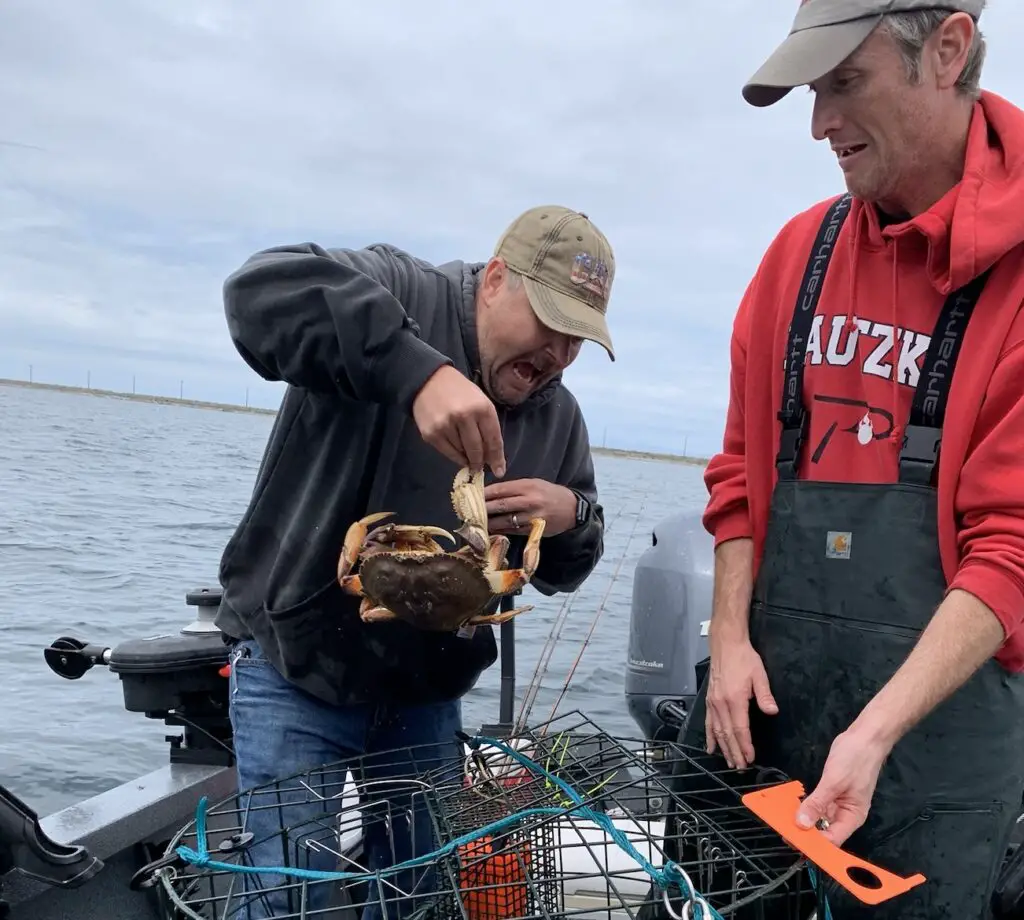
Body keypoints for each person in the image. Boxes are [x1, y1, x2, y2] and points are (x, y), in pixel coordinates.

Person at [691, 2, 1024, 917]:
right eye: (812, 89)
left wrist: (874, 733)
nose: (819, 123)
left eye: (846, 83)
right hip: (765, 726)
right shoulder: (796, 255)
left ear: (948, 50)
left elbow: (1013, 551)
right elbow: (739, 477)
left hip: (936, 771)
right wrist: (726, 638)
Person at [214, 204, 615, 918]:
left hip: (426, 698)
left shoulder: (557, 417)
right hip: (294, 667)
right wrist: (417, 373)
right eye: (549, 323)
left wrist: (569, 515)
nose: (557, 353)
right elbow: (258, 293)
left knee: (417, 901)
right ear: (495, 280)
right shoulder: (403, 293)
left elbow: (566, 568)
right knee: (285, 902)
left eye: (577, 340)